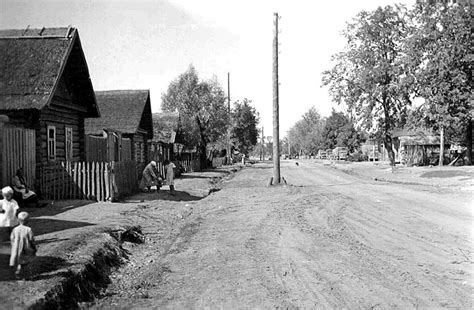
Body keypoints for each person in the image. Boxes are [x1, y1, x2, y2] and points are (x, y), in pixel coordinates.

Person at [10, 211, 37, 279]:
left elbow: (12, 238)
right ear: (28, 221)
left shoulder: (15, 229)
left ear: (18, 220)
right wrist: (34, 247)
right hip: (26, 248)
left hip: (17, 249)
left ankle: (18, 274)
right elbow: (31, 239)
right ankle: (26, 276)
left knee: (20, 262)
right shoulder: (28, 229)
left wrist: (14, 245)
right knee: (26, 263)